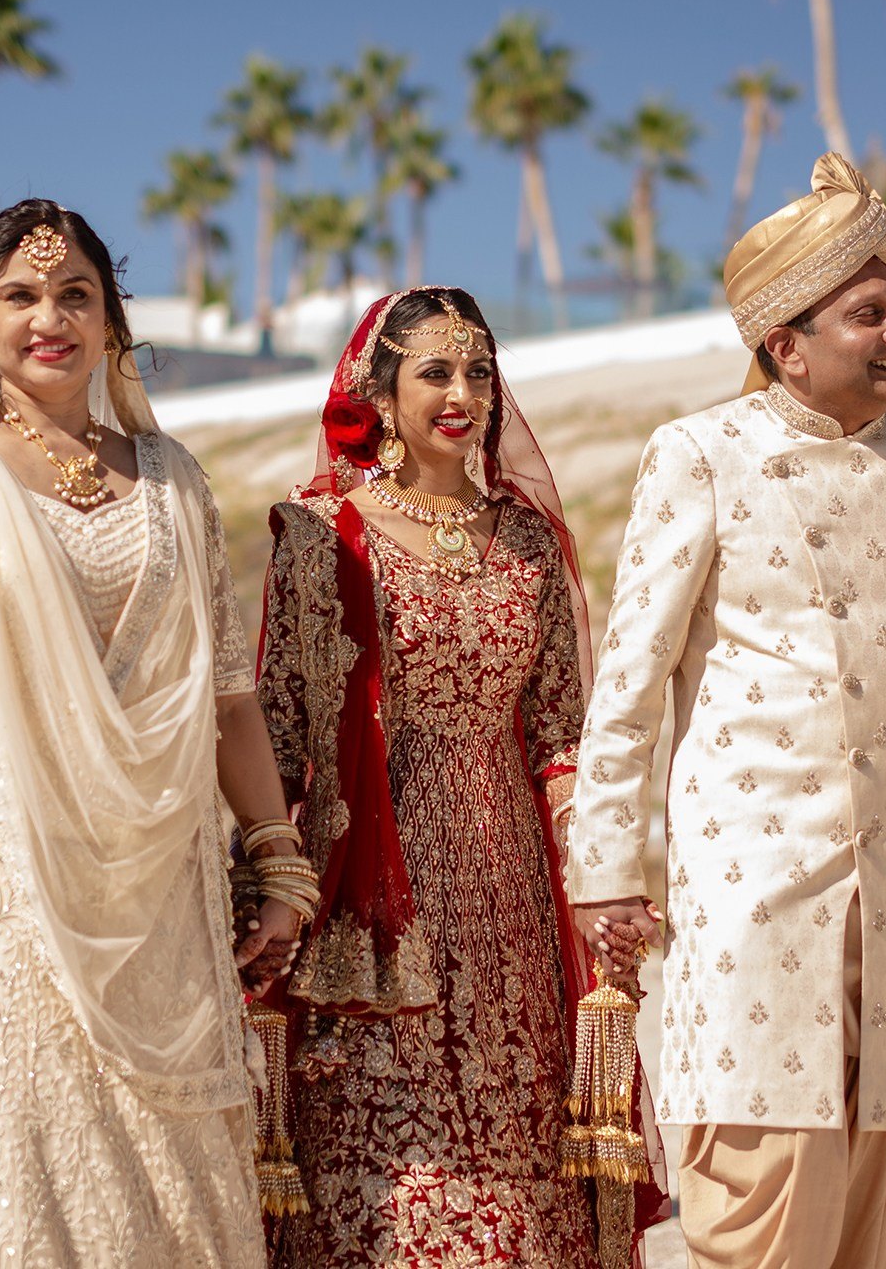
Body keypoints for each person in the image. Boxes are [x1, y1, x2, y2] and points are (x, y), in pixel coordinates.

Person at [563, 154, 886, 1269]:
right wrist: (605, 866)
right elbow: (631, 684)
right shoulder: (701, 455)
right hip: (758, 875)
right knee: (764, 1177)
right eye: (867, 313)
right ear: (782, 342)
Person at [0, 199, 305, 1269]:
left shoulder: (172, 480)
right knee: (2, 1153)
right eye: (21, 295)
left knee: (160, 1172)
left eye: (77, 293)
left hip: (160, 885)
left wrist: (276, 855)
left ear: (112, 321)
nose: (51, 317)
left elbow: (224, 698)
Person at [254, 288, 665, 1268]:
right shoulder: (321, 536)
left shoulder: (525, 539)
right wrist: (259, 883)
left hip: (511, 897)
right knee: (378, 1163)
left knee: (515, 1153)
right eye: (433, 371)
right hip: (365, 894)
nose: (461, 393)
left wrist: (598, 873)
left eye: (477, 371)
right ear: (378, 392)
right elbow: (275, 737)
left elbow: (560, 733)